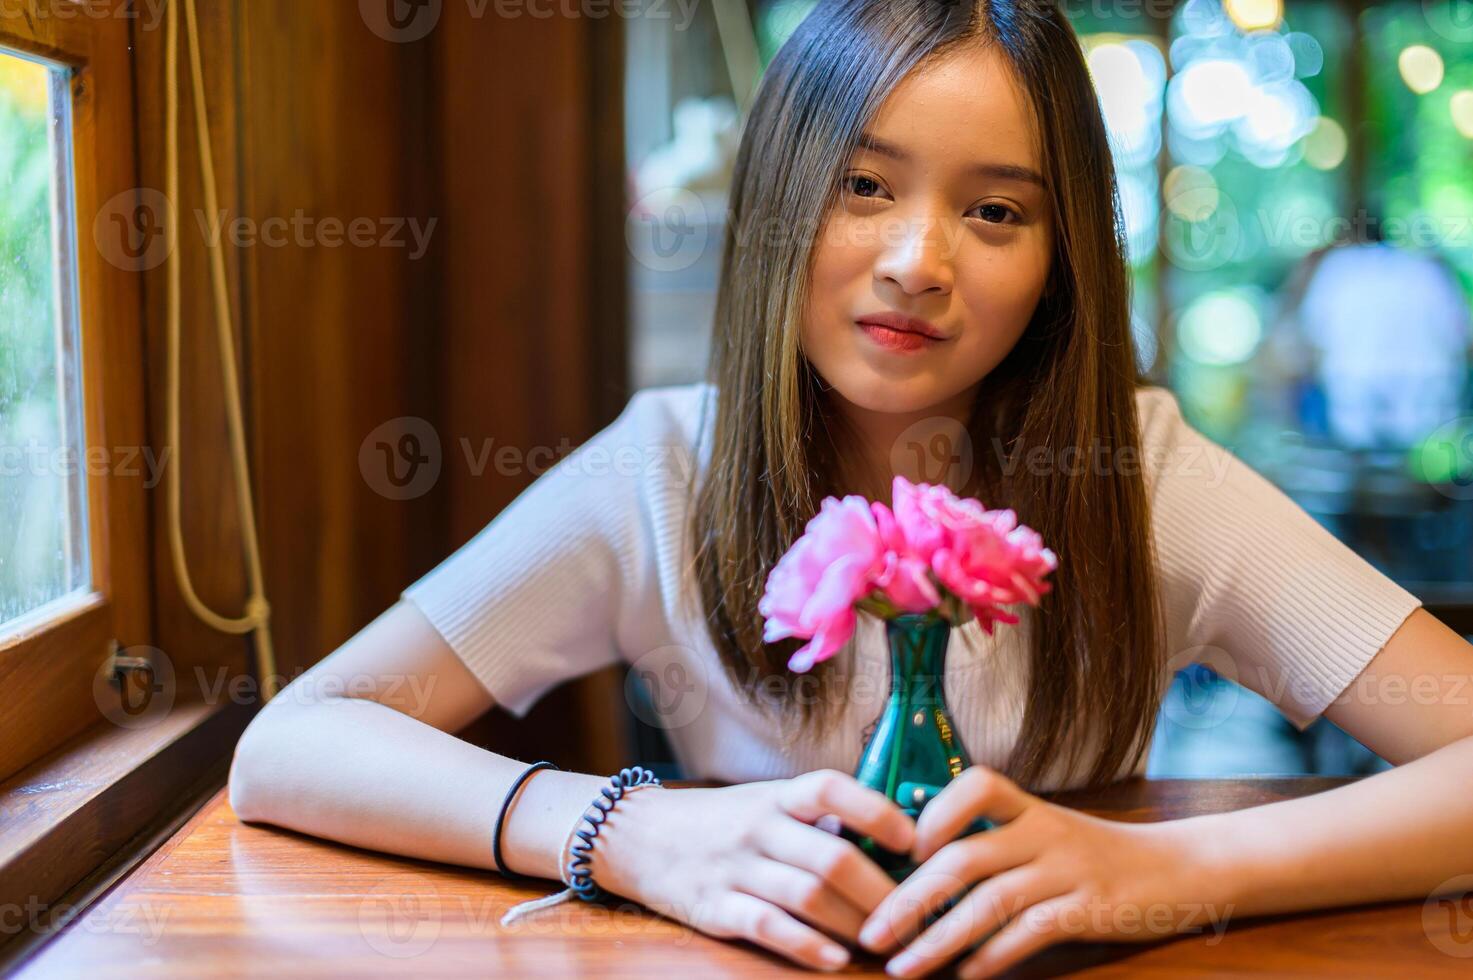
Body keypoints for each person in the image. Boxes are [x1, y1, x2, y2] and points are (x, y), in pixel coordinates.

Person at [226, 3, 1473, 977]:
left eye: (995, 210)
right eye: (864, 186)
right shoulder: (663, 467)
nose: (917, 262)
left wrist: (1154, 866)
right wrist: (628, 830)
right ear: (774, 205)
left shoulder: (1140, 474)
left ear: (1059, 261)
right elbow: (290, 745)